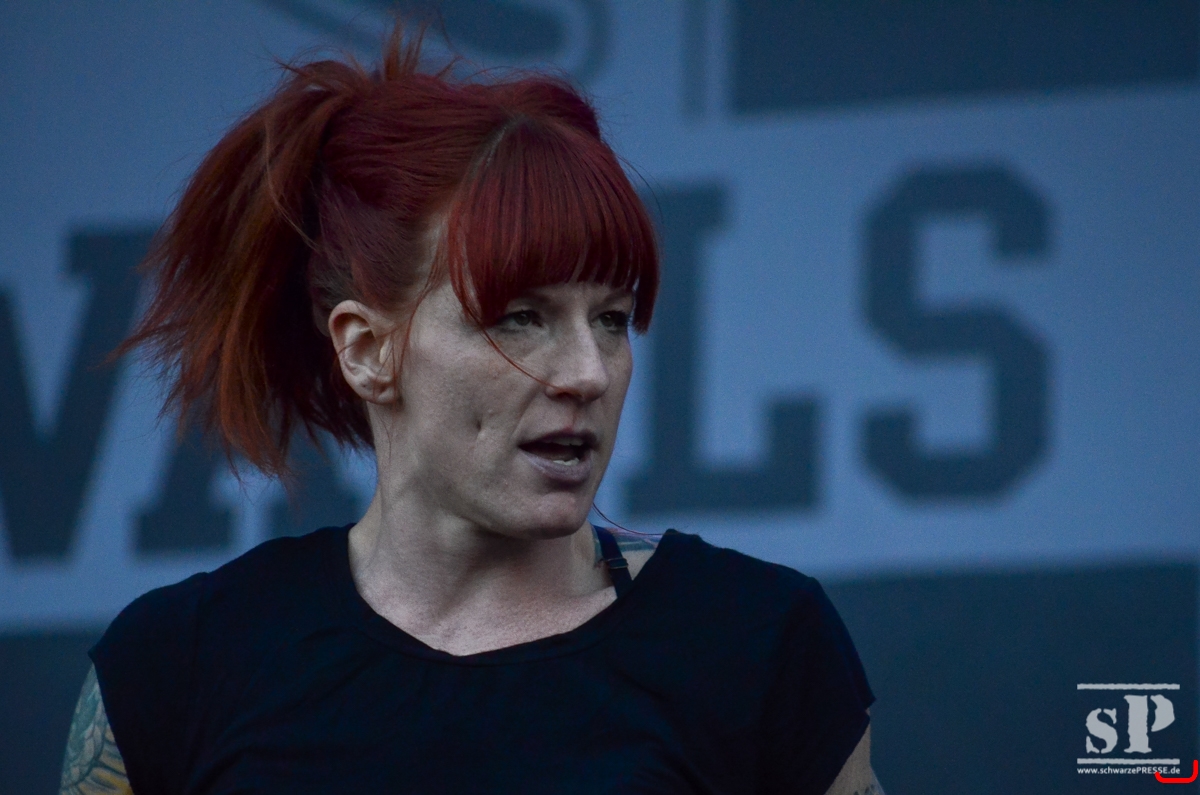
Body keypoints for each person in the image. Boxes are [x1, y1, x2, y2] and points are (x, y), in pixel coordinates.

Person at [59, 29, 881, 795]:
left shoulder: (757, 645)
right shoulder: (175, 667)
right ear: (367, 350)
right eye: (519, 317)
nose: (588, 372)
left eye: (611, 318)